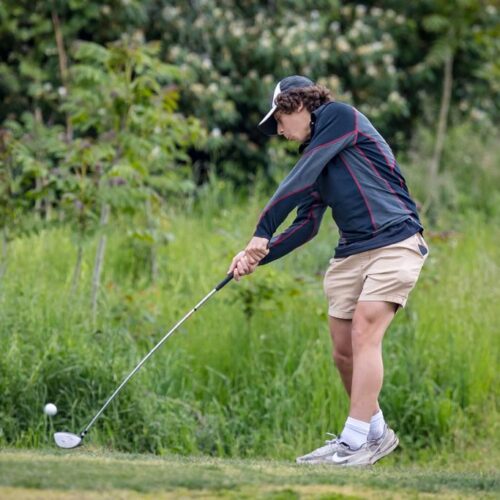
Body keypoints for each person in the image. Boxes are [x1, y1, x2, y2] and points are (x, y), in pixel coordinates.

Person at [228, 75, 429, 467]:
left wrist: (262, 228)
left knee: (365, 330)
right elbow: (307, 225)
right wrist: (258, 256)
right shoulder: (318, 154)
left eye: (280, 121)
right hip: (351, 252)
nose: (280, 131)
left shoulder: (339, 117)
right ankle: (374, 433)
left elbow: (298, 177)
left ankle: (352, 441)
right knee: (343, 350)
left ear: (297, 105)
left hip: (394, 240)